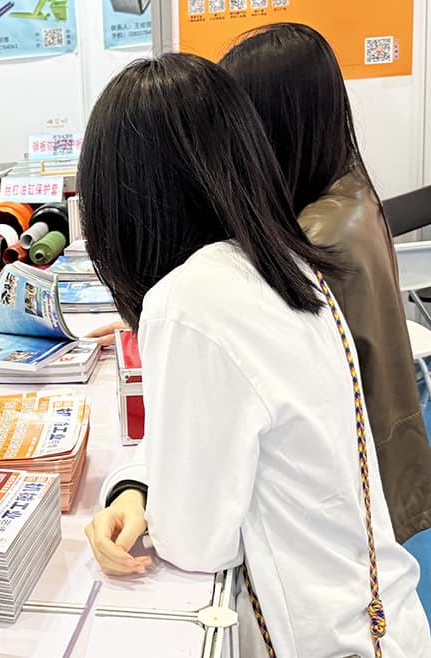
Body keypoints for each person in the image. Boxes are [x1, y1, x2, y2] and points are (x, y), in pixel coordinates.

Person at [79, 53, 429, 657]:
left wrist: (138, 490)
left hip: (322, 638)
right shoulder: (275, 260)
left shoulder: (189, 300)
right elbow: (202, 445)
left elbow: (196, 540)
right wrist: (133, 487)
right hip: (374, 616)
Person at [219, 23, 431, 546]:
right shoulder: (348, 190)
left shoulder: (315, 237)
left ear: (269, 125)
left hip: (354, 474)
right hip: (381, 439)